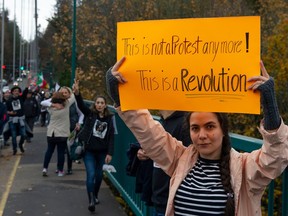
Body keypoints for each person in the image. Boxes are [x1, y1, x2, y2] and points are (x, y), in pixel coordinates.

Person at [106, 57, 288, 215]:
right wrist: (121, 95)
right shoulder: (180, 160)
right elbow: (149, 132)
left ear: (223, 129)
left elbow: (275, 156)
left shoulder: (244, 169)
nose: (202, 135)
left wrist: (270, 107)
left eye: (209, 127)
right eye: (195, 128)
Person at [73, 80, 115, 213]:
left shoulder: (110, 118)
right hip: (89, 151)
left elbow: (111, 137)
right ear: (95, 104)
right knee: (90, 174)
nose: (100, 105)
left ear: (105, 105)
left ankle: (95, 194)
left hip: (102, 152)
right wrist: (77, 93)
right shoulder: (90, 115)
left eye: (102, 103)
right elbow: (81, 105)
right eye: (97, 103)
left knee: (99, 176)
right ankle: (91, 200)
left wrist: (110, 153)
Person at [41, 91, 75, 177]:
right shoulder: (66, 104)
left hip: (51, 133)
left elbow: (43, 102)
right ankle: (60, 171)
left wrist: (52, 104)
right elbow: (74, 97)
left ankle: (45, 168)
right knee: (60, 152)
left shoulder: (50, 108)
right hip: (62, 134)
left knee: (49, 151)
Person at [59, 86, 84, 174]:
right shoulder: (58, 103)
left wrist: (79, 123)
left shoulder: (74, 102)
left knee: (69, 148)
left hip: (72, 129)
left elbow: (81, 114)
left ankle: (69, 168)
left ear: (69, 94)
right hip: (61, 129)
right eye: (62, 93)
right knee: (61, 149)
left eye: (66, 93)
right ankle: (60, 168)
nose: (64, 94)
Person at [5, 86, 28, 155]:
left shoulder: (21, 98)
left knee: (23, 134)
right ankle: (14, 149)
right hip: (12, 120)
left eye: (18, 91)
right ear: (12, 92)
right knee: (14, 136)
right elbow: (6, 110)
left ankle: (20, 145)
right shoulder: (9, 100)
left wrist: (27, 85)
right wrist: (10, 112)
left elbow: (25, 92)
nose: (16, 92)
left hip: (21, 119)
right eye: (15, 91)